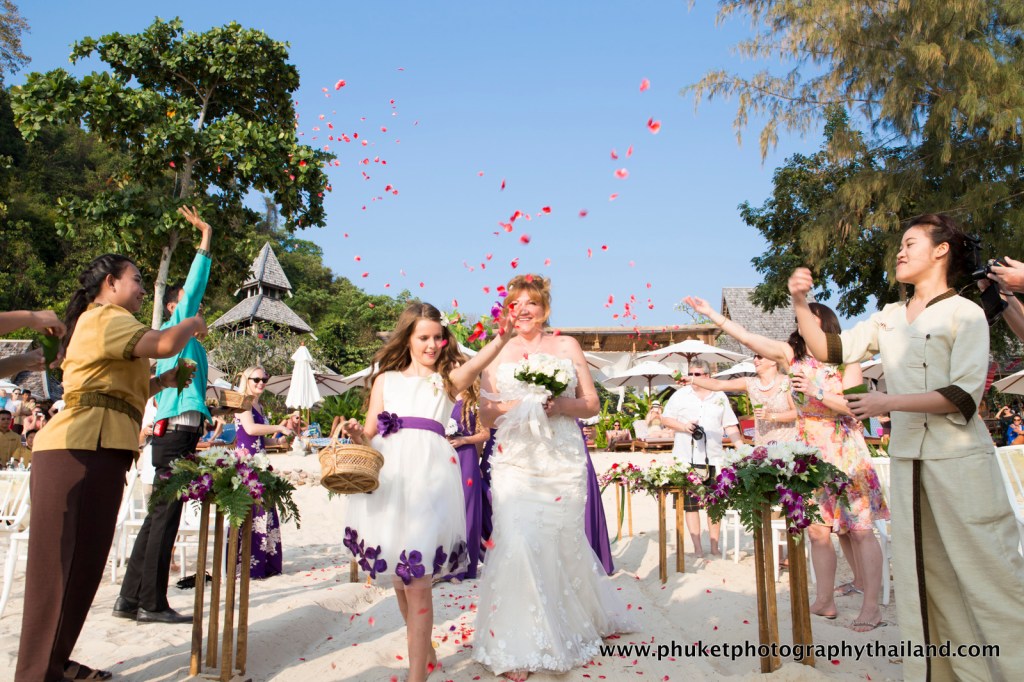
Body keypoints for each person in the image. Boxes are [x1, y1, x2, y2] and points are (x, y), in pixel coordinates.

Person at [791, 214, 1024, 679]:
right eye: (899, 243)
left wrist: (887, 401)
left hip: (959, 460)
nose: (900, 251)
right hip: (909, 462)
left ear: (942, 251)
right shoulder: (889, 317)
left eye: (910, 242)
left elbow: (964, 395)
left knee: (987, 569)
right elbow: (829, 349)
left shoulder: (966, 312)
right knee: (923, 576)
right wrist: (800, 301)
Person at [15, 253, 205, 682]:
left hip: (101, 450)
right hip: (76, 449)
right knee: (56, 570)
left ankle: (55, 663)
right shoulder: (104, 317)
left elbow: (118, 388)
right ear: (109, 284)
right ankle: (35, 673)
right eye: (136, 279)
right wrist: (191, 322)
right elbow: (164, 344)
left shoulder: (111, 324)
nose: (141, 288)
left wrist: (162, 383)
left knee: (82, 567)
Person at [685, 295, 888, 630]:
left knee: (862, 530)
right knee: (818, 531)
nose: (800, 327)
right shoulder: (791, 356)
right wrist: (712, 316)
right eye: (799, 323)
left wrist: (816, 392)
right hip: (808, 452)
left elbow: (857, 407)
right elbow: (750, 338)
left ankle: (871, 607)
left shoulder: (847, 360)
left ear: (824, 325)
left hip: (844, 450)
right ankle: (825, 601)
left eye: (808, 321)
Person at [340, 302, 514, 682]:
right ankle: (429, 654)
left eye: (438, 337)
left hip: (430, 480)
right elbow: (369, 434)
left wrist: (503, 335)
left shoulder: (448, 379)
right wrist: (356, 434)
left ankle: (416, 676)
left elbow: (478, 361)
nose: (432, 344)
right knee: (401, 580)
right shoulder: (386, 380)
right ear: (408, 338)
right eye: (424, 337)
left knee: (417, 581)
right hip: (389, 481)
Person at [473, 275, 635, 682]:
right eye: (516, 303)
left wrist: (560, 404)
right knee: (517, 537)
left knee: (560, 539)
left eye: (532, 303)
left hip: (561, 457)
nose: (524, 309)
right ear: (507, 310)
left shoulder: (567, 346)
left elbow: (591, 404)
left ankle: (573, 619)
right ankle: (519, 642)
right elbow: (486, 415)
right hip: (515, 459)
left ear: (545, 308)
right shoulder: (495, 351)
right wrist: (523, 404)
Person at [116, 206, 214, 625]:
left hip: (173, 432)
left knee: (159, 516)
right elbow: (192, 288)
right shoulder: (176, 327)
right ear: (176, 306)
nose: (200, 312)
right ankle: (152, 603)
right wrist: (206, 239)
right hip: (174, 434)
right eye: (192, 307)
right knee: (166, 517)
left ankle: (128, 599)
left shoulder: (182, 344)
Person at [660, 358, 744, 559]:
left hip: (714, 458)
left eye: (697, 374)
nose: (692, 378)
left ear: (708, 376)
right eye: (690, 373)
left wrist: (741, 448)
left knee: (714, 504)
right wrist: (684, 427)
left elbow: (730, 424)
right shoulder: (680, 395)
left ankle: (714, 546)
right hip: (685, 457)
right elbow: (665, 418)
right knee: (691, 505)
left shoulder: (719, 395)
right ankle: (697, 547)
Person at [233, 366, 294, 579]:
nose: (261, 383)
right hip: (246, 465)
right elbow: (249, 430)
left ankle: (265, 564)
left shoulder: (258, 404)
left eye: (264, 380)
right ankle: (247, 566)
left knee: (264, 513)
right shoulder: (243, 402)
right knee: (251, 514)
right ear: (246, 379)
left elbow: (258, 438)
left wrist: (277, 441)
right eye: (256, 379)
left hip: (260, 463)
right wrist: (279, 426)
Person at [679, 353, 798, 446]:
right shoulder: (749, 382)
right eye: (754, 357)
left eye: (760, 357)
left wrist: (770, 416)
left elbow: (798, 413)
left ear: (773, 361)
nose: (755, 360)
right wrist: (692, 380)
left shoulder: (788, 381)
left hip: (789, 443)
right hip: (763, 445)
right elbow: (718, 385)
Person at [444, 392, 490, 581]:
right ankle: (446, 564)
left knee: (467, 509)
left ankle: (465, 567)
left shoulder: (475, 401)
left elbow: (485, 433)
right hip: (443, 457)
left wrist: (464, 440)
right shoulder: (441, 397)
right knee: (446, 510)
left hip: (466, 457)